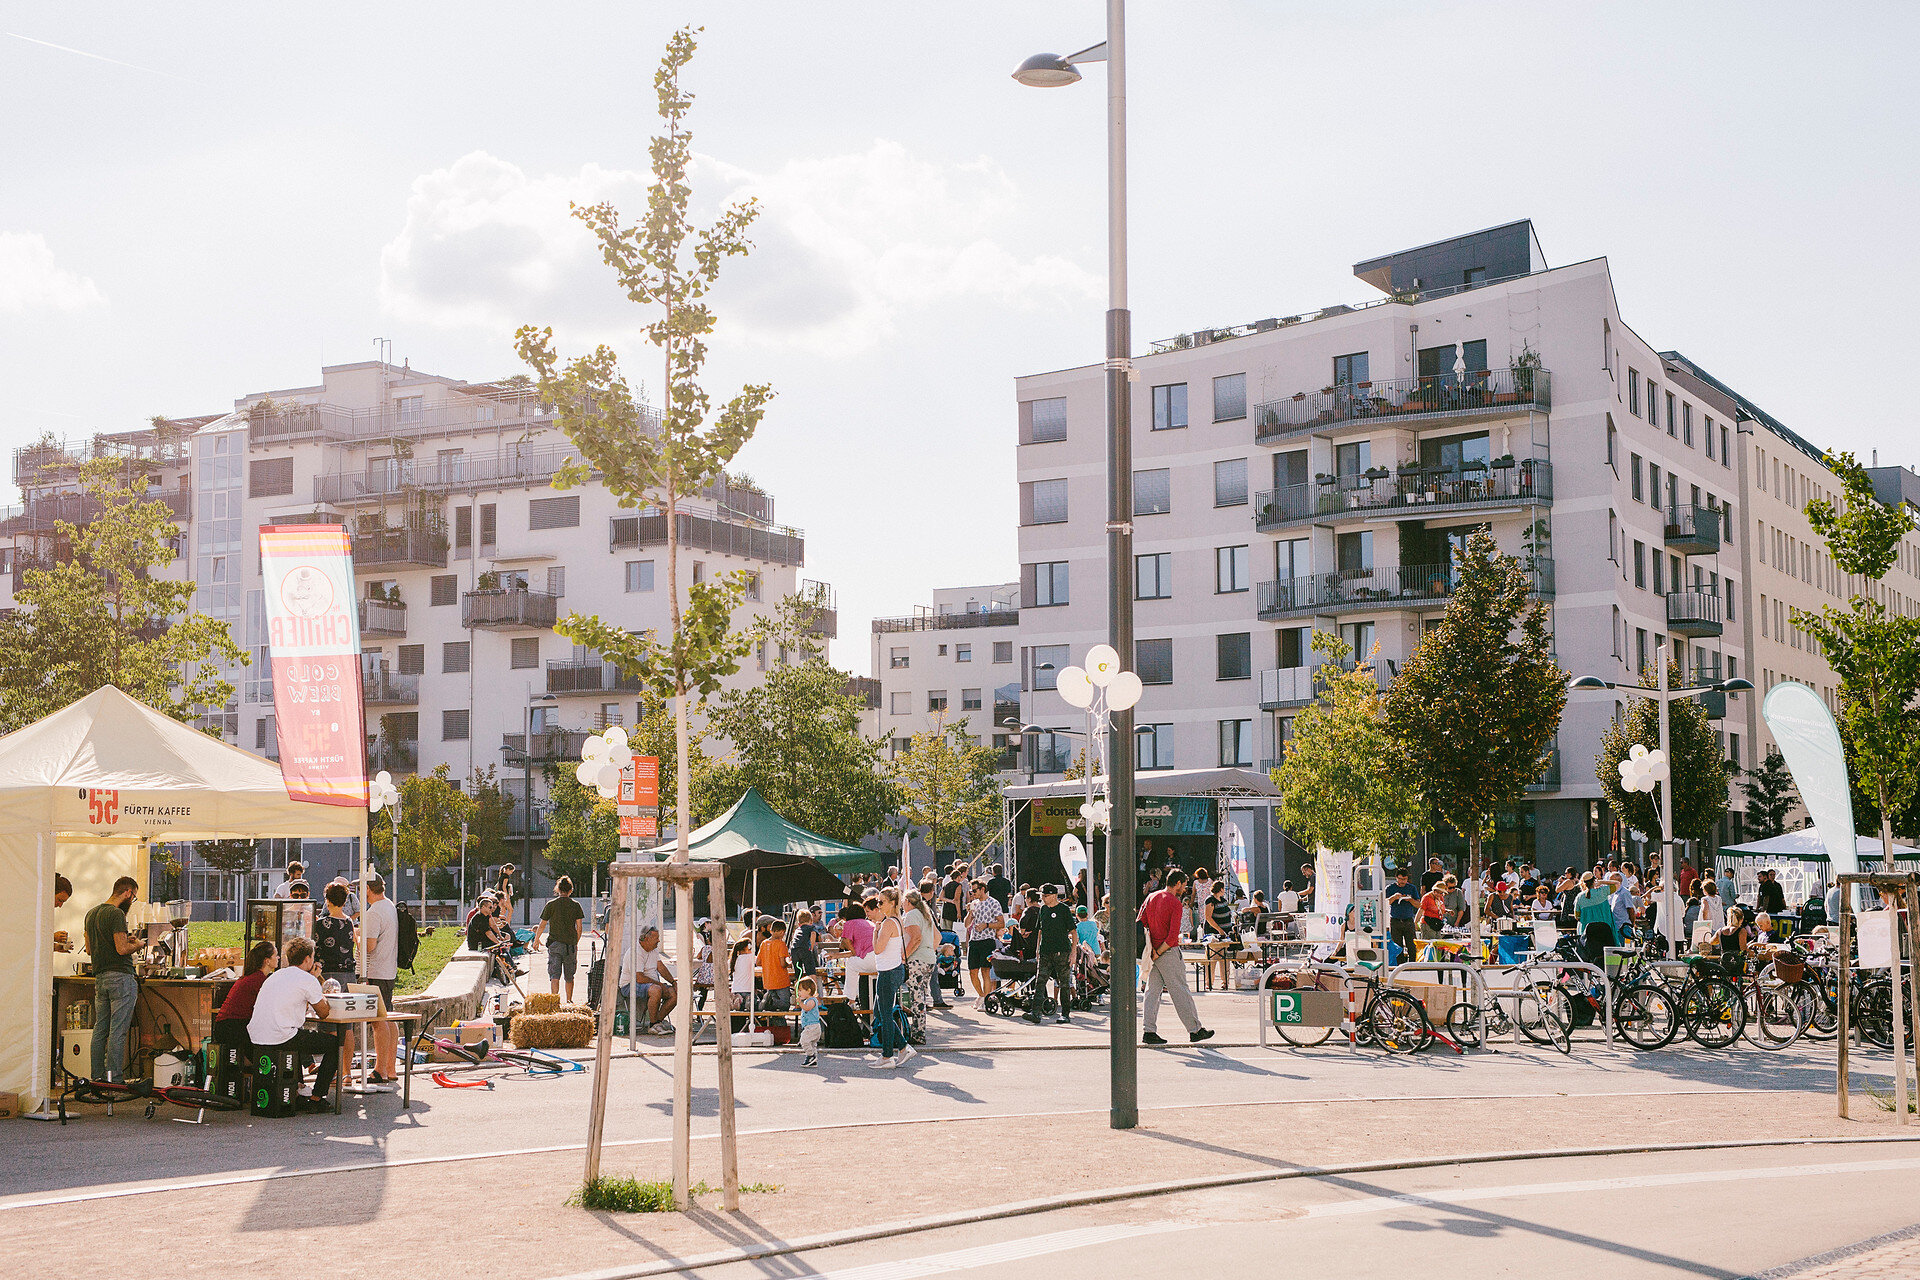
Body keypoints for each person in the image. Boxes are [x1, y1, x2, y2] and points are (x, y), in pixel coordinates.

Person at [248, 936, 338, 1114]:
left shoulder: (276, 976)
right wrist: (323, 993)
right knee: (335, 1044)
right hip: (281, 1036)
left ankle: (297, 1092)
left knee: (299, 1035)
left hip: (257, 1036)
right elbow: (323, 1012)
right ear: (307, 959)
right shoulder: (308, 980)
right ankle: (317, 1097)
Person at [1138, 869, 1212, 1045]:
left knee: (1152, 992)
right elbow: (1172, 937)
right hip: (1167, 952)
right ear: (1177, 883)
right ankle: (1195, 1030)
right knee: (1180, 991)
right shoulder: (1175, 903)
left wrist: (1152, 950)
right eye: (1184, 885)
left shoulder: (1151, 897)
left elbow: (1142, 921)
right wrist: (1159, 951)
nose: (1184, 888)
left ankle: (1149, 1030)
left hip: (1151, 950)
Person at [84, 876, 142, 1083]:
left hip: (100, 978)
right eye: (133, 897)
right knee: (118, 1031)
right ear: (128, 892)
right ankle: (114, 1080)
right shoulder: (116, 914)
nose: (131, 901)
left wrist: (126, 940)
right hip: (120, 977)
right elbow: (122, 948)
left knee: (100, 1029)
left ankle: (97, 1078)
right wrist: (138, 944)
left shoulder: (91, 914)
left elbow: (90, 949)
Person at [359, 874, 400, 1086]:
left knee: (378, 1022)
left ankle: (380, 1069)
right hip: (388, 970)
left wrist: (356, 937)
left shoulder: (373, 912)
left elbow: (369, 946)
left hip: (375, 971)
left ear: (367, 889)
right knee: (389, 1018)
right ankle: (391, 1068)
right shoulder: (389, 905)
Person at [869, 888, 912, 1068]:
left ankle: (887, 1056)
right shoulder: (896, 921)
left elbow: (878, 949)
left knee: (884, 1014)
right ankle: (902, 1047)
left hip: (888, 971)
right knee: (880, 1012)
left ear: (892, 903)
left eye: (881, 902)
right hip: (892, 970)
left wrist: (875, 931)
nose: (878, 906)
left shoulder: (888, 923)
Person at [214, 941, 277, 1050]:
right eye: (276, 955)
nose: (278, 958)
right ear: (267, 961)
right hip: (233, 1026)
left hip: (226, 1025)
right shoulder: (259, 980)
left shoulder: (252, 977)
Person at [1029, 885, 1077, 1025]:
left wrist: (1073, 952)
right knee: (1040, 981)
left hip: (1062, 951)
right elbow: (1040, 930)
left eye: (1045, 896)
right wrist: (1038, 948)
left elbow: (1073, 932)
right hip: (1045, 951)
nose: (1043, 898)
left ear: (1054, 895)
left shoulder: (1063, 910)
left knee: (1064, 984)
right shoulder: (1043, 909)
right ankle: (1035, 1012)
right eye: (1042, 896)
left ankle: (1065, 1014)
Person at [534, 875, 586, 1003]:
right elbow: (579, 927)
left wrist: (536, 939)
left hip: (555, 944)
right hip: (570, 945)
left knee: (554, 974)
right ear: (570, 890)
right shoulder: (576, 905)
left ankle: (554, 1001)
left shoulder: (551, 904)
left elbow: (542, 924)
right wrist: (576, 942)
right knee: (569, 976)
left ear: (558, 889)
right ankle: (569, 1000)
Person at [620, 925, 677, 1035]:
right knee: (656, 989)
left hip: (651, 984)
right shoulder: (636, 952)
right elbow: (639, 978)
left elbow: (661, 968)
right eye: (656, 938)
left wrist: (673, 982)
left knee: (674, 994)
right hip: (630, 985)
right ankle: (653, 1024)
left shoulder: (653, 950)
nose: (659, 940)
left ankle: (656, 1023)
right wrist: (660, 985)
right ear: (646, 939)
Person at [900, 890, 940, 1043]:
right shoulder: (926, 914)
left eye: (904, 902)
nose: (903, 905)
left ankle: (918, 1034)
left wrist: (904, 956)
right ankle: (919, 1031)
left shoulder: (911, 915)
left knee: (916, 998)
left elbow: (916, 938)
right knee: (921, 996)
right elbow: (938, 937)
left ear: (908, 902)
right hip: (929, 958)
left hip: (917, 960)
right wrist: (929, 949)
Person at [963, 881, 1004, 1008]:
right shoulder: (975, 903)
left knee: (985, 971)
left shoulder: (993, 903)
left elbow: (1001, 923)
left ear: (982, 889)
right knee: (972, 972)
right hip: (974, 940)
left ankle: (986, 999)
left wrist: (986, 925)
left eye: (974, 891)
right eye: (971, 891)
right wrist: (970, 912)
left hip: (987, 940)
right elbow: (966, 924)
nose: (973, 894)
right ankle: (981, 995)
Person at [1574, 872, 1615, 965]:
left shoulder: (1579, 897)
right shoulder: (1603, 891)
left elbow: (1577, 916)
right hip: (1605, 934)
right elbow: (1617, 884)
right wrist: (1600, 881)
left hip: (1587, 937)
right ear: (1594, 881)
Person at [759, 920, 794, 1012]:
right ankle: (770, 1002)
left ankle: (769, 1001)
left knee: (773, 1010)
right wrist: (789, 962)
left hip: (768, 981)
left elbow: (758, 961)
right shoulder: (781, 944)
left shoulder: (764, 943)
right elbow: (783, 964)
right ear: (782, 931)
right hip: (781, 980)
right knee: (785, 1005)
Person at [1385, 869, 1417, 960]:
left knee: (1411, 945)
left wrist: (1410, 899)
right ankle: (1400, 966)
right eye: (1400, 879)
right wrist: (1394, 897)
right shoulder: (1390, 888)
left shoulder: (1412, 888)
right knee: (1397, 946)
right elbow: (1385, 903)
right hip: (1395, 920)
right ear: (1396, 878)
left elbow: (1418, 904)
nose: (1402, 881)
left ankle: (1412, 965)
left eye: (1405, 879)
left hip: (1408, 920)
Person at [796, 975, 823, 1068]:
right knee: (812, 1043)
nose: (799, 992)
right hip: (809, 1026)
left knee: (804, 1040)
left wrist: (800, 1003)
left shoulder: (811, 1001)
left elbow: (807, 1008)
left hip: (813, 1026)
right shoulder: (808, 1000)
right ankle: (813, 1060)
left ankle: (810, 1055)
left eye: (800, 990)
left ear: (808, 991)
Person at [790, 908, 820, 979]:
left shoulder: (797, 930)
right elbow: (813, 934)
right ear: (811, 921)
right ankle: (814, 989)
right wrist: (811, 948)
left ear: (799, 922)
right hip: (805, 949)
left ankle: (798, 988)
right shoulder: (811, 927)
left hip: (794, 951)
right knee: (811, 972)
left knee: (798, 973)